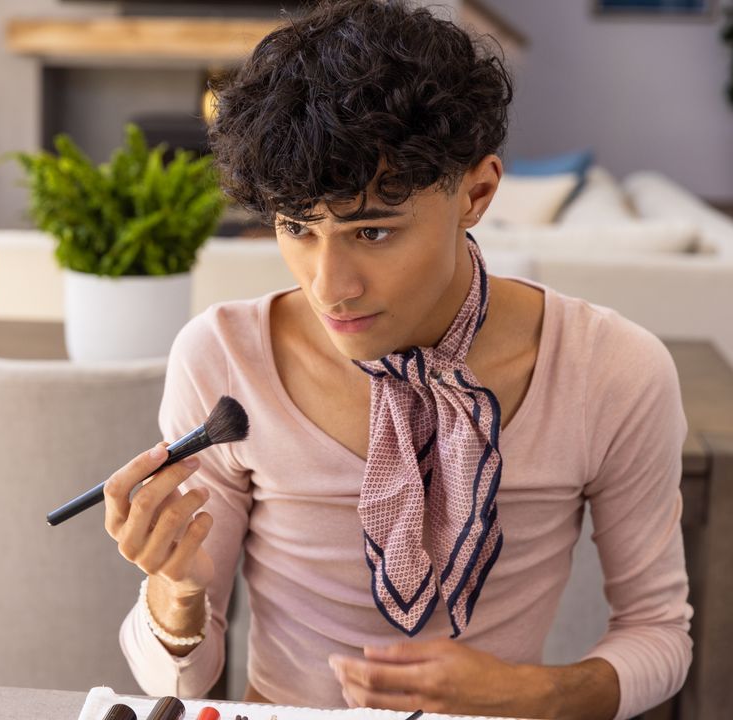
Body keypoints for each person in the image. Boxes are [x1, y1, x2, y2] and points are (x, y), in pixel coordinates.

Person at [101, 2, 692, 718]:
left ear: (477, 193)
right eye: (297, 228)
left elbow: (660, 635)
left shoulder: (610, 369)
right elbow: (177, 690)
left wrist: (527, 695)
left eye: (372, 232)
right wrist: (177, 593)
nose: (329, 286)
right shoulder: (224, 358)